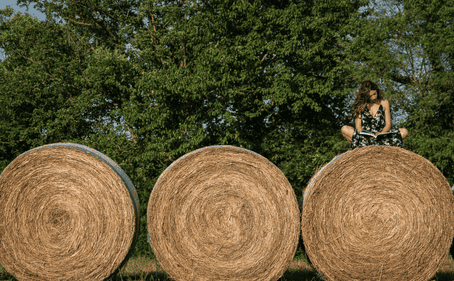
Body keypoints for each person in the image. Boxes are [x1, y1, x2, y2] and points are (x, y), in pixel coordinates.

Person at [341, 80, 409, 150]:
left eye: (374, 94)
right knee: (345, 129)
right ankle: (362, 148)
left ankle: (379, 145)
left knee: (404, 131)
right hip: (365, 137)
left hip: (382, 136)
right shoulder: (360, 105)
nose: (374, 97)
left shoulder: (384, 103)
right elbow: (358, 127)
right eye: (370, 96)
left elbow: (388, 124)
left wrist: (381, 133)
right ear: (366, 95)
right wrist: (367, 135)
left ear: (377, 91)